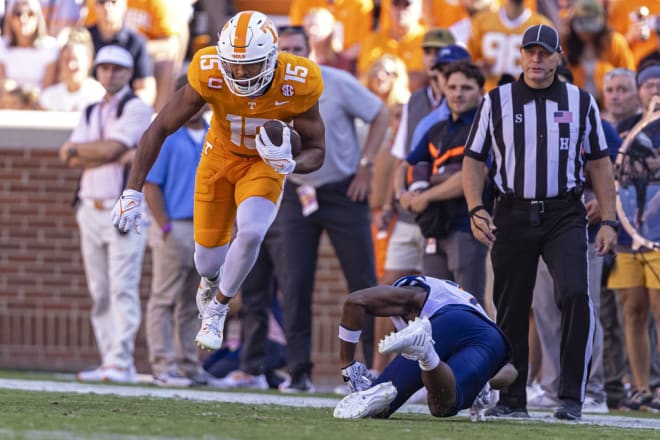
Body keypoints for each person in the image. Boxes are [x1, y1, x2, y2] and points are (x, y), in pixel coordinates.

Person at [111, 11, 326, 357]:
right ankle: (211, 283)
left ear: (271, 58)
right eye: (233, 64)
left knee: (253, 231)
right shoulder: (209, 71)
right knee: (207, 262)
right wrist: (132, 190)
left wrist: (291, 164)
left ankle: (219, 309)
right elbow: (160, 127)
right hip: (219, 159)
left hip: (263, 163)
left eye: (250, 65)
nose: (240, 73)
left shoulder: (298, 79)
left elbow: (317, 149)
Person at [462, 24, 618, 420]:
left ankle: (570, 397)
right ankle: (513, 399)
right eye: (530, 51)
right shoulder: (495, 101)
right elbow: (473, 159)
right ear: (520, 56)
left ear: (558, 57)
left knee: (574, 296)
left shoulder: (581, 101)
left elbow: (599, 161)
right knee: (511, 306)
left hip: (564, 212)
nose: (536, 59)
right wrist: (476, 208)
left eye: (544, 52)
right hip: (511, 212)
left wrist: (610, 220)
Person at [276, 25, 389, 392]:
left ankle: (366, 369)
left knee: (362, 281)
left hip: (344, 191)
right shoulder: (266, 88)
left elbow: (380, 114)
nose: (291, 54)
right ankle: (299, 372)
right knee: (294, 283)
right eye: (285, 49)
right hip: (296, 190)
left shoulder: (336, 81)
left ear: (310, 50)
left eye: (297, 48)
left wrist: (367, 164)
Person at [59, 44, 153, 383]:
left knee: (122, 288)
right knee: (99, 290)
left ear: (129, 73)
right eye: (104, 68)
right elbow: (67, 156)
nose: (110, 74)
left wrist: (88, 151)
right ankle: (110, 359)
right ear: (96, 71)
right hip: (89, 205)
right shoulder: (89, 111)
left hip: (121, 208)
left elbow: (111, 147)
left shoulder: (138, 108)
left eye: (117, 69)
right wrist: (101, 153)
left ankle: (120, 359)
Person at [333, 275, 516, 420]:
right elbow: (511, 371)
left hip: (444, 324)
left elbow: (355, 300)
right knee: (443, 405)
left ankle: (426, 353)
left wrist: (347, 365)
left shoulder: (413, 295)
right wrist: (485, 382)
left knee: (378, 407)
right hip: (491, 339)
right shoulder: (468, 306)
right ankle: (427, 355)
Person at [400, 61, 489, 304]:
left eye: (466, 87)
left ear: (481, 92)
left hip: (467, 228)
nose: (458, 93)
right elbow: (407, 166)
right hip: (434, 229)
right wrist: (404, 194)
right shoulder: (437, 129)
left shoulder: (485, 128)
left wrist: (426, 195)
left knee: (471, 306)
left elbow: (471, 176)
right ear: (444, 90)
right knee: (435, 308)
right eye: (452, 87)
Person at [143, 74, 209, 388]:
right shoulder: (168, 136)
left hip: (207, 230)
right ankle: (162, 365)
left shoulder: (215, 134)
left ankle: (189, 365)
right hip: (175, 226)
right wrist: (164, 225)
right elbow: (152, 183)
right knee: (164, 298)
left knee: (193, 303)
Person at [466, 0, 552, 91]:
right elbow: (470, 62)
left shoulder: (542, 25)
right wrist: (477, 69)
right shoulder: (481, 21)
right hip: (488, 94)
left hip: (526, 96)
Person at [561, 0, 634, 103]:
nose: (587, 32)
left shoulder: (615, 42)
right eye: (583, 28)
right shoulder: (565, 43)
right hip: (573, 102)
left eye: (591, 27)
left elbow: (628, 74)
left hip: (610, 104)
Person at [86, 0, 156, 106]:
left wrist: (125, 108)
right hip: (86, 105)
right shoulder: (84, 38)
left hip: (124, 110)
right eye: (102, 2)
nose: (107, 7)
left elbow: (146, 89)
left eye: (113, 2)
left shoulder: (136, 42)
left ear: (124, 5)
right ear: (94, 6)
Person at [39, 26, 106, 112]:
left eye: (75, 59)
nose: (70, 65)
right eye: (66, 60)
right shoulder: (48, 97)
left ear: (89, 61)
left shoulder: (98, 95)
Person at [0, 0, 59, 94]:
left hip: (40, 105)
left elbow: (49, 91)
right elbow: (1, 88)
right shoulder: (2, 46)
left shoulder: (50, 47)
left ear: (38, 18)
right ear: (10, 18)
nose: (24, 19)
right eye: (18, 14)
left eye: (30, 13)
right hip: (9, 105)